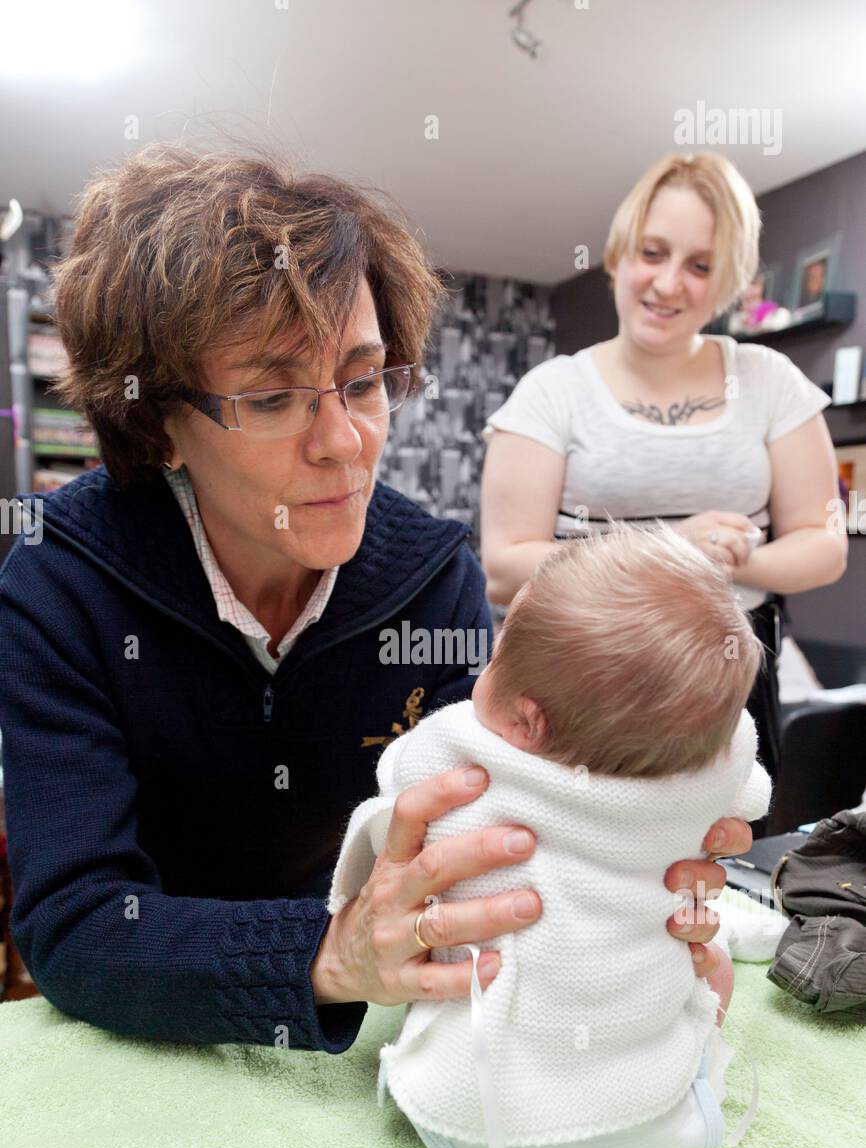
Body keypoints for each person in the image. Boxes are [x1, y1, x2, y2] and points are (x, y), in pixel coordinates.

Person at [0, 142, 748, 1049]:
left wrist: (639, 886)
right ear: (158, 422)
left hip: (374, 1014)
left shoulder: (432, 579)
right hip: (142, 1029)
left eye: (363, 382)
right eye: (273, 398)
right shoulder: (62, 579)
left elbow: (502, 822)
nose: (345, 442)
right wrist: (326, 955)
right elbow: (76, 924)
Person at [327, 523, 771, 1148]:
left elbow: (388, 813)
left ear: (528, 721)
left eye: (499, 650)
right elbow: (747, 788)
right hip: (651, 1116)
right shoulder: (704, 777)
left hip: (476, 1124)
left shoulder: (456, 768)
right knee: (707, 966)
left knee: (458, 971)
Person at [480, 152, 847, 820]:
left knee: (719, 877)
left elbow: (825, 543)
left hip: (730, 671)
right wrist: (671, 548)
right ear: (618, 255)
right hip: (582, 670)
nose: (669, 283)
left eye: (700, 265)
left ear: (728, 282)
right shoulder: (552, 392)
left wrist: (736, 559)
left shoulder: (771, 382)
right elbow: (504, 569)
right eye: (653, 252)